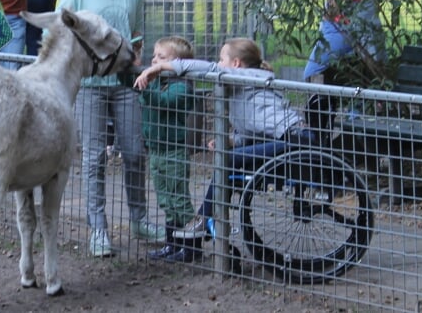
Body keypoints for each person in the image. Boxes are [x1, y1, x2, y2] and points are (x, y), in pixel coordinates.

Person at [134, 38, 313, 241]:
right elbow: (255, 128)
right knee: (229, 158)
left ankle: (203, 219)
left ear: (235, 63)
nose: (218, 64)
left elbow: (207, 67)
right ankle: (215, 226)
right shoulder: (243, 86)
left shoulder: (246, 75)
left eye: (221, 59)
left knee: (227, 160)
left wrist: (158, 68)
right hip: (287, 140)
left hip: (297, 140)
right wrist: (230, 141)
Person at [57, 0, 158, 257]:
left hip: (126, 82)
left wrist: (138, 51)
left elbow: (136, 30)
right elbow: (59, 33)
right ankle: (98, 230)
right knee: (94, 157)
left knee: (133, 152)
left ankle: (140, 219)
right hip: (90, 85)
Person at [138, 36, 200, 263]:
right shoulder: (155, 82)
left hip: (174, 151)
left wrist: (143, 87)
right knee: (165, 200)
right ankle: (172, 244)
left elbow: (163, 102)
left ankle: (191, 247)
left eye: (161, 57)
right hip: (155, 151)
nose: (155, 60)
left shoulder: (182, 88)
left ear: (178, 63)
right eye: (155, 56)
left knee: (179, 199)